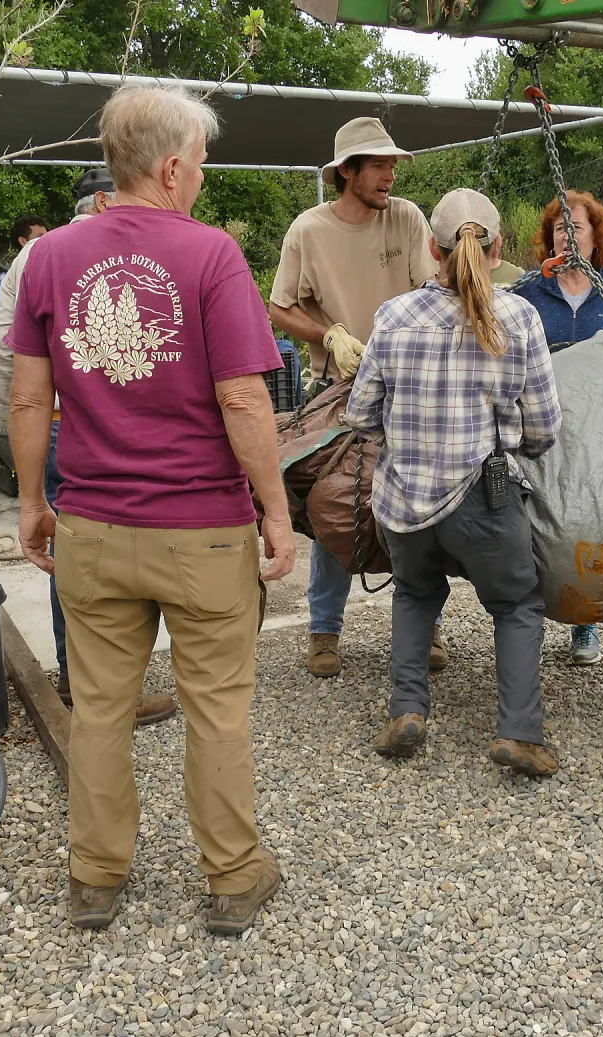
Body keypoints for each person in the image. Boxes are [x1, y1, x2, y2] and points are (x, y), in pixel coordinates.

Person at [8, 84, 295, 933]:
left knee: (98, 708)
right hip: (201, 532)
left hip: (93, 528)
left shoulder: (50, 257)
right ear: (172, 166)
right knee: (216, 709)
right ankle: (234, 879)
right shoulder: (211, 256)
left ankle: (96, 878)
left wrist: (33, 501)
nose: (201, 180)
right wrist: (275, 511)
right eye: (200, 165)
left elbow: (28, 401)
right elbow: (244, 402)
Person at [344, 188, 563, 776]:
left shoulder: (393, 316)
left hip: (404, 501)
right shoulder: (517, 317)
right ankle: (519, 732)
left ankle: (406, 712)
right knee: (516, 604)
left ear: (434, 250)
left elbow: (360, 416)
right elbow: (543, 426)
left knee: (415, 595)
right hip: (484, 500)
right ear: (495, 252)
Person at [0, 172, 178, 729]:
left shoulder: (50, 254)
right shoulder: (70, 250)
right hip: (76, 424)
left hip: (61, 420)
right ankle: (102, 689)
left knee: (76, 547)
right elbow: (4, 344)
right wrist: (38, 405)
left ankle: (85, 680)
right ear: (101, 200)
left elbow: (2, 341)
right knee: (93, 546)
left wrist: (25, 406)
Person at [268, 116, 445, 679]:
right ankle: (324, 631)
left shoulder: (407, 219)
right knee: (336, 507)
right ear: (348, 172)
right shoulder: (309, 231)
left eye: (393, 165)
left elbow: (430, 290)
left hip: (410, 388)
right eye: (380, 166)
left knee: (420, 509)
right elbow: (278, 308)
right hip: (338, 388)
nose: (391, 175)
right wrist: (328, 336)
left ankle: (425, 625)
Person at [510, 190, 603, 667]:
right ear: (549, 239)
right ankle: (529, 615)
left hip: (598, 430)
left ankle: (585, 624)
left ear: (595, 238)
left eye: (577, 227)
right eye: (559, 228)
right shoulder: (527, 290)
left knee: (591, 514)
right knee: (535, 517)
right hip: (538, 424)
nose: (567, 235)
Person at [0, 214, 49, 318]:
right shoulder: (6, 272)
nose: (46, 240)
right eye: (40, 237)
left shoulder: (49, 268)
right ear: (23, 241)